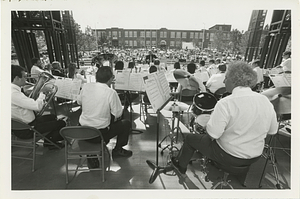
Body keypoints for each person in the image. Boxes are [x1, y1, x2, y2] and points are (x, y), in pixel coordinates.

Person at [169, 61, 278, 176]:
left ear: (234, 80)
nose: (224, 81)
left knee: (190, 138)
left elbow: (213, 135)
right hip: (255, 155)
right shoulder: (265, 100)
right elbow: (273, 131)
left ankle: (180, 166)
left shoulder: (225, 103)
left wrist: (208, 126)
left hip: (230, 155)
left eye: (226, 78)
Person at [77, 66, 133, 164]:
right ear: (111, 79)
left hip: (82, 131)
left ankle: (92, 155)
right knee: (126, 123)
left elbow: (79, 102)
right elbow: (118, 113)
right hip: (99, 135)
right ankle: (117, 149)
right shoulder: (111, 92)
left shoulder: (86, 87)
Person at [11, 65, 66, 149]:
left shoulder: (11, 90)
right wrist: (42, 93)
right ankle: (49, 143)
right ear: (16, 78)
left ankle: (49, 140)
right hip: (27, 129)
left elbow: (26, 104)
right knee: (62, 123)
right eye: (24, 77)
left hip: (25, 125)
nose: (26, 79)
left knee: (53, 117)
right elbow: (37, 106)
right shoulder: (13, 94)